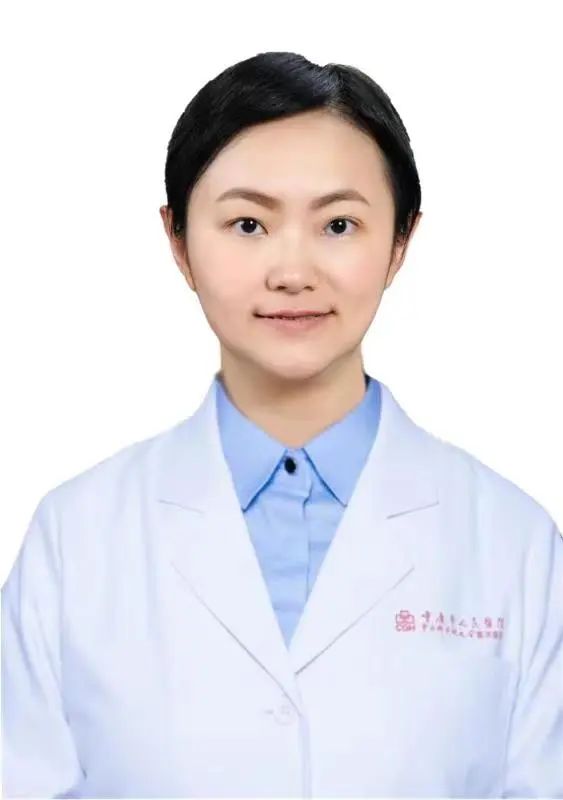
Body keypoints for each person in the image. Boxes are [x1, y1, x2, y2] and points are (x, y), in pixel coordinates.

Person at [2, 50, 562, 799]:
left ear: (400, 241)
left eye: (338, 224)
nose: (292, 272)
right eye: (247, 224)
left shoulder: (514, 544)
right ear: (178, 240)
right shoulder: (76, 537)